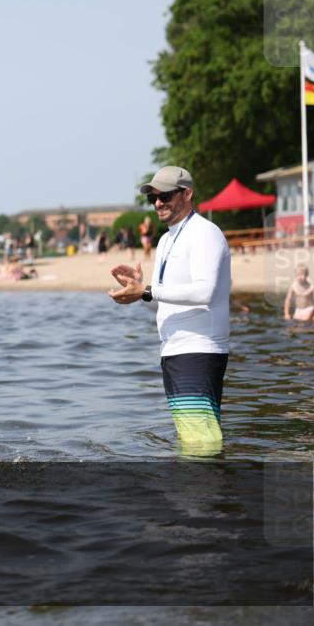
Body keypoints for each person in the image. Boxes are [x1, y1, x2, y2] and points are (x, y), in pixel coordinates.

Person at [108, 166, 231, 455]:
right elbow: (165, 301)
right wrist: (139, 293)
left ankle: (200, 495)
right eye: (153, 199)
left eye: (165, 196)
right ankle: (200, 494)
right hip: (173, 350)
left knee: (201, 439)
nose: (158, 203)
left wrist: (149, 291)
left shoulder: (204, 233)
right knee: (193, 436)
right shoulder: (165, 240)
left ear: (187, 194)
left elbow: (205, 292)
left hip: (199, 349)